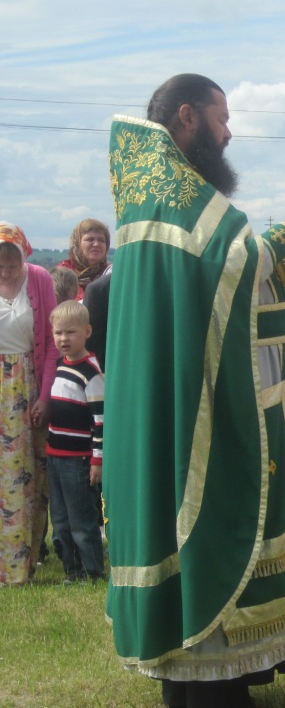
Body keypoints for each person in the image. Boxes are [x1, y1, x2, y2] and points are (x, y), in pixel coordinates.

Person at [104, 74, 285, 707]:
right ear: (186, 117)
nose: (229, 132)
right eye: (221, 118)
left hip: (175, 384)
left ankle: (220, 673)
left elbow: (215, 281)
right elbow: (227, 263)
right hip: (196, 396)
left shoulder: (161, 191)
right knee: (211, 504)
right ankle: (207, 681)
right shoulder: (176, 195)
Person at [0, 223, 57, 586]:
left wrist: (45, 395)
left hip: (25, 386)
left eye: (11, 263)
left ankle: (19, 565)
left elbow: (52, 343)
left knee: (23, 478)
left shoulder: (38, 279)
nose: (5, 271)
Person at [45, 301, 105, 584]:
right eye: (58, 333)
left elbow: (100, 421)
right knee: (60, 519)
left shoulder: (91, 373)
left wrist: (97, 460)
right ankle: (72, 569)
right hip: (55, 456)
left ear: (87, 331)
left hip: (78, 460)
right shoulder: (60, 365)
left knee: (81, 519)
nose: (63, 339)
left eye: (71, 332)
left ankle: (92, 570)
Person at [56, 219, 111, 300]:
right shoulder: (62, 274)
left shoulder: (111, 274)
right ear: (77, 243)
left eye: (101, 240)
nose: (96, 244)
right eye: (90, 239)